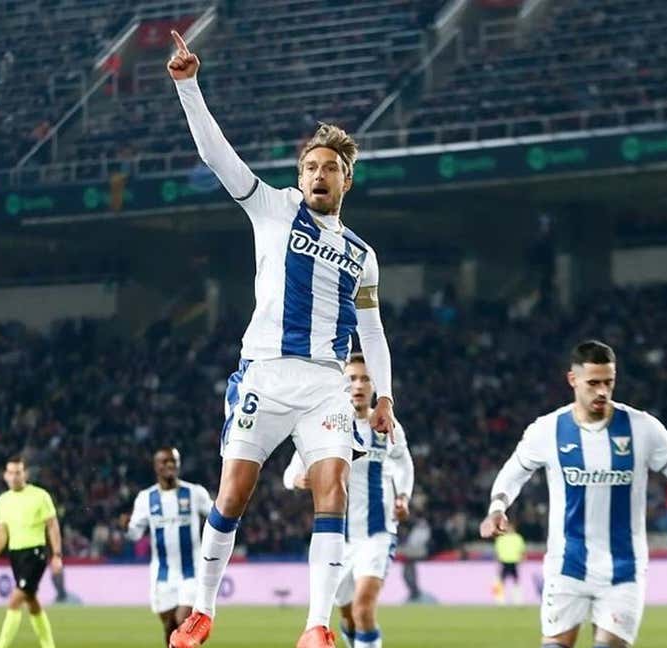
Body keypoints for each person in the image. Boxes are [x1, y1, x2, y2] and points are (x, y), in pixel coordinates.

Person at [165, 29, 397, 648]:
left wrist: (384, 398)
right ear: (301, 175)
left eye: (333, 168)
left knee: (334, 489)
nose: (321, 174)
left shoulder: (362, 256)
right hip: (263, 374)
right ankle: (203, 610)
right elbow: (218, 159)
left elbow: (371, 330)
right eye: (312, 166)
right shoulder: (272, 208)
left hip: (325, 382)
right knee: (233, 493)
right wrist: (189, 86)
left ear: (348, 180)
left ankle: (317, 626)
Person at [480, 340, 667, 648]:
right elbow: (512, 473)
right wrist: (497, 507)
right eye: (593, 383)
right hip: (566, 564)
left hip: (624, 568)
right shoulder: (547, 430)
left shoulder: (643, 428)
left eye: (608, 382)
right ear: (573, 380)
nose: (602, 391)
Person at [283, 354, 414, 648]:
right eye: (351, 378)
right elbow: (290, 473)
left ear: (374, 385)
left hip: (377, 533)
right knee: (348, 616)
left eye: (365, 378)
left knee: (363, 609)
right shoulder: (325, 425)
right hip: (337, 538)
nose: (357, 385)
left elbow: (404, 464)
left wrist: (404, 495)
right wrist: (297, 480)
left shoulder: (386, 425)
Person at [126, 448, 213, 647]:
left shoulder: (194, 492)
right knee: (169, 627)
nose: (170, 465)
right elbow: (135, 534)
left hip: (191, 573)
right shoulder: (146, 498)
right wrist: (126, 527)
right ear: (156, 466)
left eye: (173, 461)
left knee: (184, 623)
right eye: (164, 461)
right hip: (162, 574)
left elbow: (216, 516)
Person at [0, 457, 62, 648]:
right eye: (11, 472)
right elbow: (2, 531)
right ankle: (49, 645)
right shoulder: (3, 500)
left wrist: (57, 555)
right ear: (5, 475)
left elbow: (52, 525)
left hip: (35, 553)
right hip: (15, 555)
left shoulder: (40, 496)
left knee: (15, 600)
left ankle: (1, 646)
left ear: (25, 474)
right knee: (31, 600)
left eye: (18, 472)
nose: (14, 477)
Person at [492, 529, 526, 605]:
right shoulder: (501, 538)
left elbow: (522, 550)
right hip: (504, 561)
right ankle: (499, 599)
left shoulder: (517, 538)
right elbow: (497, 551)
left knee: (516, 581)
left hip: (514, 561)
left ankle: (517, 599)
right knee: (501, 581)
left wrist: (522, 558)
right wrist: (497, 561)